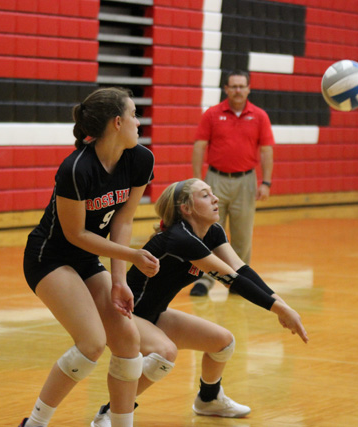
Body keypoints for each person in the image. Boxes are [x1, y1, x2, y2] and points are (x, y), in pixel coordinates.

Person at [90, 178, 308, 427]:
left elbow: (242, 270)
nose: (215, 198)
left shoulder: (212, 232)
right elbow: (232, 280)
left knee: (222, 343)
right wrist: (279, 309)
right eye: (205, 195)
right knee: (165, 354)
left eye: (212, 193)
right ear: (186, 208)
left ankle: (209, 399)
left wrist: (284, 306)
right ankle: (110, 412)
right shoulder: (179, 239)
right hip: (125, 316)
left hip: (155, 316)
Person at [18, 87, 159, 427]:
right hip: (49, 258)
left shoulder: (141, 159)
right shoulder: (76, 168)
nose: (139, 122)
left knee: (128, 340)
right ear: (116, 122)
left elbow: (123, 221)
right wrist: (133, 256)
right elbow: (75, 234)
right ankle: (34, 424)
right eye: (134, 114)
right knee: (92, 343)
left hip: (86, 260)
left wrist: (120, 280)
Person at [189, 69, 275, 296]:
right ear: (226, 89)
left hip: (245, 181)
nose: (237, 90)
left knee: (242, 234)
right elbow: (199, 146)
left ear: (248, 89)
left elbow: (266, 150)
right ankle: (204, 281)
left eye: (241, 86)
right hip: (215, 179)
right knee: (208, 231)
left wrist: (266, 182)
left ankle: (238, 281)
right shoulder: (212, 114)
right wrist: (198, 180)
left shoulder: (259, 116)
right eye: (233, 86)